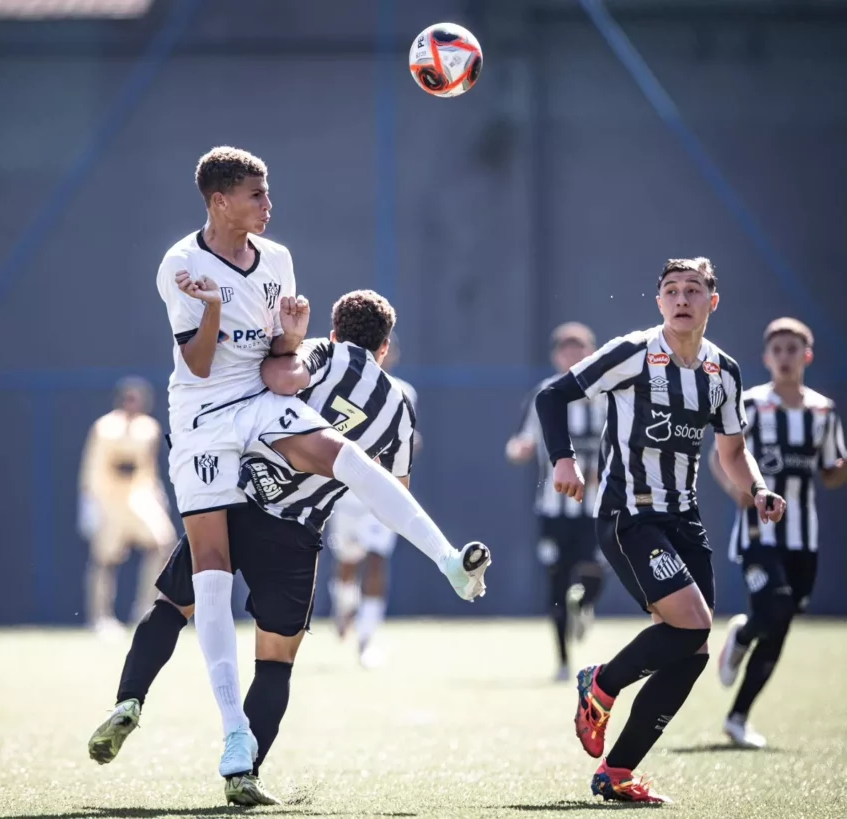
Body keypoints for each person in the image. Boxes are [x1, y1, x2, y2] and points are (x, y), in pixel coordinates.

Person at [158, 147, 491, 779]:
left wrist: (293, 332)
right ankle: (234, 729)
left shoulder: (277, 258)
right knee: (212, 570)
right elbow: (198, 366)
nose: (268, 202)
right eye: (256, 193)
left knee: (343, 455)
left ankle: (448, 559)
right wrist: (208, 309)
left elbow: (281, 355)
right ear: (220, 200)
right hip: (200, 415)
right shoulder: (180, 263)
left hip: (256, 400)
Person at [90, 290, 492, 806]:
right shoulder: (399, 408)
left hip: (237, 501)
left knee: (172, 607)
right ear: (386, 347)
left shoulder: (329, 353)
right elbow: (394, 494)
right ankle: (245, 773)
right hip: (298, 533)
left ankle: (130, 699)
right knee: (276, 661)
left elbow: (280, 378)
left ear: (336, 329)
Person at [535, 257, 787, 803]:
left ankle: (617, 772)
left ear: (711, 302)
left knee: (691, 653)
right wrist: (562, 460)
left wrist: (758, 489)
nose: (680, 299)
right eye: (670, 290)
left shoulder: (724, 371)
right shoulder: (632, 352)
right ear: (658, 301)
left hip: (684, 519)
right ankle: (600, 683)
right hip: (630, 514)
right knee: (694, 626)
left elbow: (733, 452)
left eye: (692, 290)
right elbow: (552, 396)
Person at [710, 317, 846, 748]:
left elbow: (831, 474)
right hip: (758, 533)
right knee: (775, 611)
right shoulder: (750, 404)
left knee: (784, 621)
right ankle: (744, 635)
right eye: (778, 350)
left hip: (802, 536)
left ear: (806, 356)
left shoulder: (823, 411)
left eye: (793, 350)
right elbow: (721, 456)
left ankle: (738, 717)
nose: (785, 357)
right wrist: (738, 490)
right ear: (767, 357)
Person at [506, 322, 607, 681]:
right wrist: (520, 450)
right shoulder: (545, 394)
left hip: (596, 506)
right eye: (566, 347)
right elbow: (521, 441)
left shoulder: (606, 394)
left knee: (596, 570)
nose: (573, 353)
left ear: (592, 351)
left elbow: (622, 445)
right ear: (555, 355)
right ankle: (563, 660)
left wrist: (605, 471)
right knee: (557, 580)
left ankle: (586, 606)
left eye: (580, 346)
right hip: (554, 506)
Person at [326, 332, 419, 667]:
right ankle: (344, 607)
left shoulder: (404, 392)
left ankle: (366, 641)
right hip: (345, 494)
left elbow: (405, 439)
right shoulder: (336, 385)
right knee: (348, 563)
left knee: (377, 560)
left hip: (380, 495)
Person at [78, 377, 177, 634]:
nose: (133, 404)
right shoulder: (105, 427)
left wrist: (157, 495)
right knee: (105, 558)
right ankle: (101, 617)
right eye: (128, 398)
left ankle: (145, 608)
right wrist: (90, 503)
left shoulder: (149, 428)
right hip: (109, 500)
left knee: (163, 544)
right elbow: (92, 467)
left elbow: (148, 468)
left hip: (139, 497)